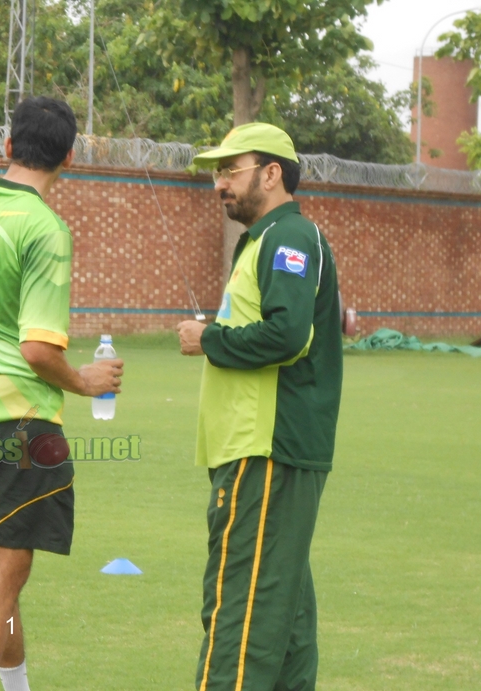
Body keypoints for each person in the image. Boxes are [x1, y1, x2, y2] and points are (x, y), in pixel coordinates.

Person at [0, 96, 124, 691]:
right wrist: (85, 380)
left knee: (6, 572)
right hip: (22, 425)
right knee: (0, 574)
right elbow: (39, 350)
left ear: (8, 147)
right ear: (67, 158)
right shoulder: (45, 229)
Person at [177, 123, 343, 691]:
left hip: (265, 454)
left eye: (231, 169)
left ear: (272, 173)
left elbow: (287, 335)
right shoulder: (265, 240)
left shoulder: (288, 236)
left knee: (238, 618)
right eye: (216, 172)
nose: (219, 183)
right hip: (261, 453)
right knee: (286, 624)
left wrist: (209, 339)